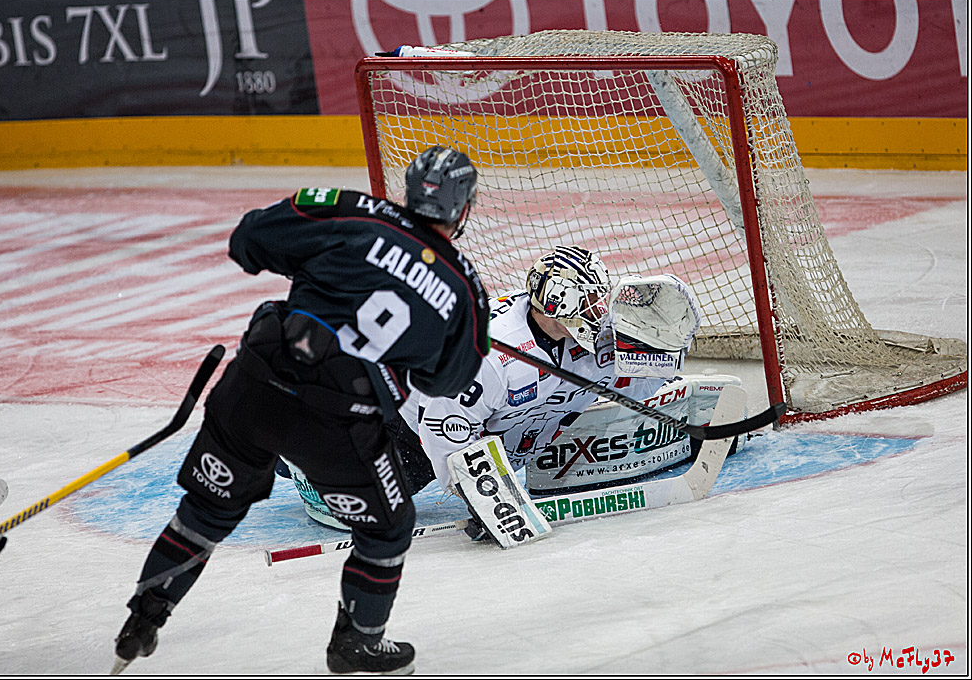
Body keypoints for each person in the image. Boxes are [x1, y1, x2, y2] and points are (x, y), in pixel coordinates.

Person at [112, 145, 488, 675]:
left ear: (408, 189)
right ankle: (357, 643)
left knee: (210, 508)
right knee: (387, 527)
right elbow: (448, 380)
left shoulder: (348, 210)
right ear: (463, 208)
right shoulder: (464, 287)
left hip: (256, 385)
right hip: (338, 421)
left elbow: (247, 243)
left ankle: (145, 617)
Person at [290, 245, 729, 541]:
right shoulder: (490, 356)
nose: (600, 312)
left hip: (508, 434)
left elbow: (636, 377)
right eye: (590, 302)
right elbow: (444, 428)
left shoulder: (590, 332)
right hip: (405, 429)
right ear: (555, 304)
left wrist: (666, 360)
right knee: (358, 510)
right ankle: (300, 454)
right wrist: (477, 496)